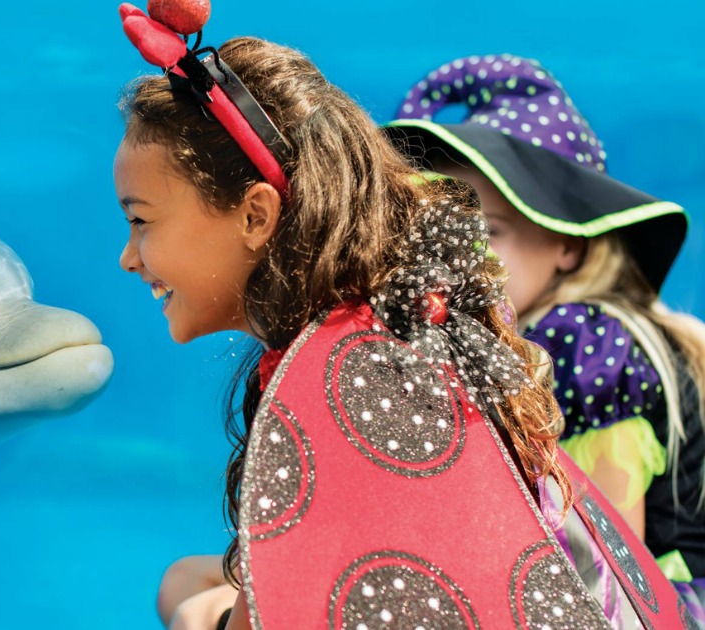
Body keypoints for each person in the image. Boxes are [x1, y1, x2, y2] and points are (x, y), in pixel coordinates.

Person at [115, 5, 687, 628]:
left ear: (256, 216)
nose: (126, 258)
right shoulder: (388, 333)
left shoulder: (354, 373)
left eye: (140, 219)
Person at [384, 53, 705, 615]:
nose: (459, 254)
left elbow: (611, 581)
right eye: (442, 228)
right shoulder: (554, 333)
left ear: (566, 244)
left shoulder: (582, 341)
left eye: (489, 229)